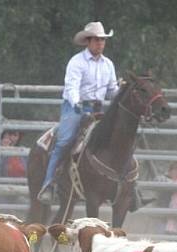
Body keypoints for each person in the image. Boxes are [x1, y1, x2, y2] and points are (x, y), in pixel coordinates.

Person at [38, 21, 118, 204]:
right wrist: (77, 104)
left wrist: (121, 93)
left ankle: (126, 186)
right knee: (65, 140)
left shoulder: (108, 65)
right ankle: (48, 184)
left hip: (98, 108)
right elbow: (72, 87)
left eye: (103, 40)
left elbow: (112, 90)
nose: (100, 43)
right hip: (75, 107)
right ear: (88, 41)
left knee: (120, 136)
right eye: (97, 40)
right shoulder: (77, 62)